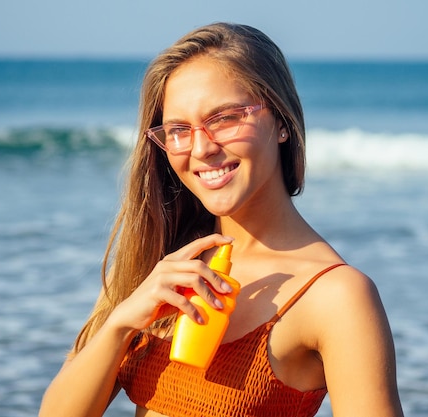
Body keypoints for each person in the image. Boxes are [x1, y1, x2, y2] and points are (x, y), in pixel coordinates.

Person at [39, 22, 403, 417]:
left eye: (226, 118)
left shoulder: (337, 296)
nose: (201, 148)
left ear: (281, 121)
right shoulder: (161, 260)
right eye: (179, 129)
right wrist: (121, 324)